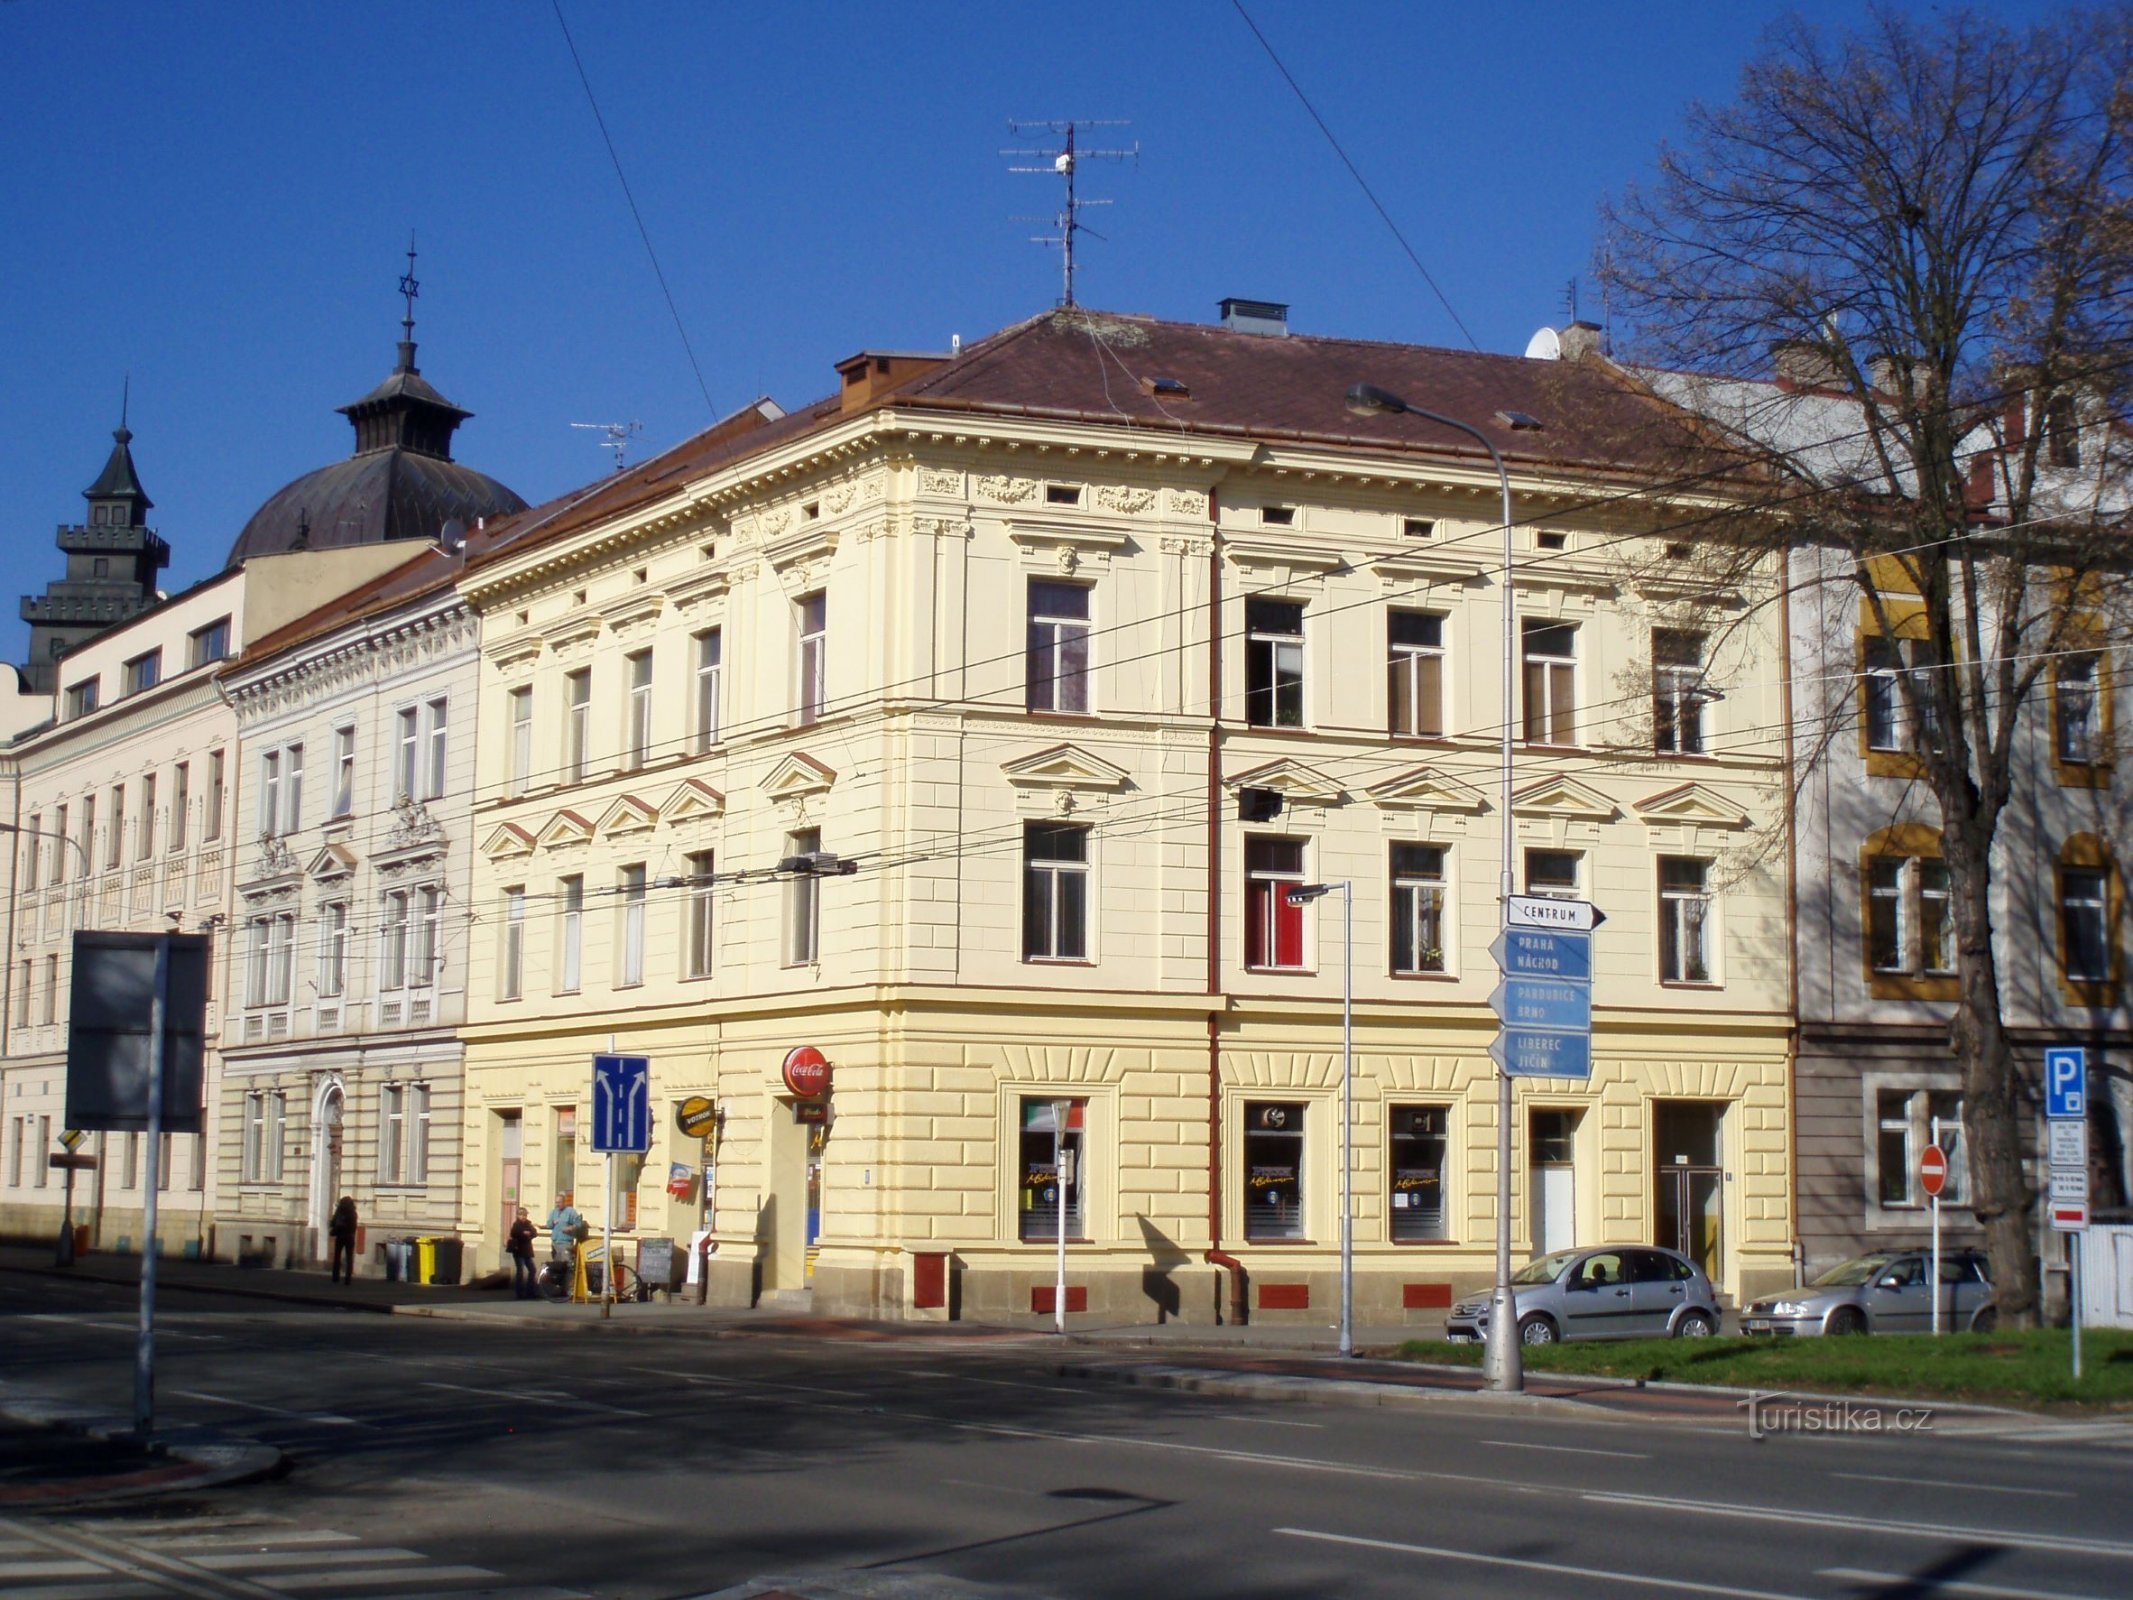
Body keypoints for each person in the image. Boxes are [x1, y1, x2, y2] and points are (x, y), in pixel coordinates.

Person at [507, 1206, 540, 1299]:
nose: (523, 1217)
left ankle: (530, 1291)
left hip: (527, 1251)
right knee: (520, 1271)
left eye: (525, 1215)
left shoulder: (528, 1224)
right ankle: (519, 1293)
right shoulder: (516, 1224)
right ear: (518, 1215)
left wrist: (528, 1233)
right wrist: (523, 1233)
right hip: (518, 1251)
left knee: (532, 1270)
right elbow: (514, 1233)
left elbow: (534, 1233)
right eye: (521, 1215)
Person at [328, 1196, 359, 1285]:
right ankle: (347, 1279)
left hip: (340, 1236)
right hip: (350, 1237)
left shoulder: (339, 1212)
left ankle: (335, 1277)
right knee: (349, 1258)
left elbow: (333, 1222)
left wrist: (336, 1227)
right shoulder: (353, 1213)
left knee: (337, 1257)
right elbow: (354, 1226)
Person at [546, 1193, 585, 1263]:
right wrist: (553, 1222)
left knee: (567, 1263)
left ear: (564, 1202)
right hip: (555, 1243)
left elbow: (579, 1223)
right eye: (556, 1202)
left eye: (559, 1202)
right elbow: (548, 1225)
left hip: (566, 1243)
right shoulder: (553, 1212)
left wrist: (571, 1227)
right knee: (556, 1264)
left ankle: (568, 1274)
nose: (557, 1204)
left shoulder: (571, 1211)